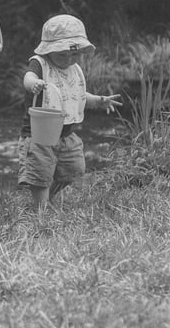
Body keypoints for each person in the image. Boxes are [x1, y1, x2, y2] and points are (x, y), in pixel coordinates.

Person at [18, 13, 121, 215]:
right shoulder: (40, 64)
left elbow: (77, 95)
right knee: (40, 173)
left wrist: (99, 100)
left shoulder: (74, 69)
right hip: (39, 134)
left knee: (74, 169)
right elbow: (27, 77)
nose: (68, 60)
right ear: (49, 50)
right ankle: (40, 210)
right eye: (62, 55)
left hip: (66, 135)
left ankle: (50, 196)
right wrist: (34, 84)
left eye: (74, 55)